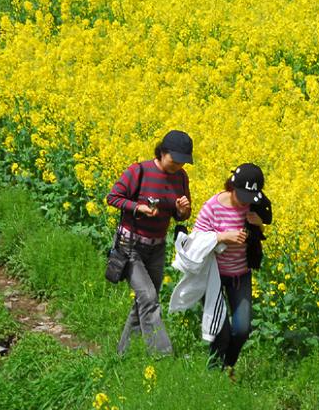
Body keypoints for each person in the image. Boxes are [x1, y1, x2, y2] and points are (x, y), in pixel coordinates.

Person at [107, 129, 193, 356]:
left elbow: (180, 216)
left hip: (157, 247)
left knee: (143, 303)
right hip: (130, 246)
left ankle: (122, 355)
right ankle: (163, 356)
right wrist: (139, 207)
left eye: (183, 163)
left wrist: (183, 211)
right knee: (149, 298)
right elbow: (113, 197)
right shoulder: (140, 171)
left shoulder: (181, 177)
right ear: (162, 152)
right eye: (174, 161)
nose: (178, 166)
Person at [192, 162, 272, 374]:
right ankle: (213, 373)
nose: (244, 202)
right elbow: (195, 241)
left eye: (249, 198)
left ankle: (227, 367)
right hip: (213, 276)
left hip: (240, 274)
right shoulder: (213, 207)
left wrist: (258, 224)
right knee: (221, 331)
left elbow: (261, 229)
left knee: (242, 329)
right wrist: (223, 236)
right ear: (231, 186)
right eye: (241, 196)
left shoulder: (253, 206)